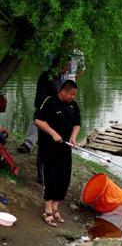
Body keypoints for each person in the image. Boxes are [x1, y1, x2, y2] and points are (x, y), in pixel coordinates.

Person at [34, 80, 81, 227]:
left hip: (65, 148)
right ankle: (47, 210)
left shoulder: (73, 105)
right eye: (71, 94)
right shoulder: (50, 102)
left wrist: (73, 137)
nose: (73, 97)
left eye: (74, 95)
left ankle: (55, 208)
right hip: (49, 148)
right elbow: (38, 120)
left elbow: (77, 124)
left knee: (64, 178)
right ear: (64, 91)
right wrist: (53, 133)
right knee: (51, 177)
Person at [17, 58, 69, 155]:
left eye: (68, 66)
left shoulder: (57, 76)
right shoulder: (50, 76)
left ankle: (35, 145)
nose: (67, 68)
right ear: (59, 65)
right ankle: (29, 145)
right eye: (65, 66)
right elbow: (58, 93)